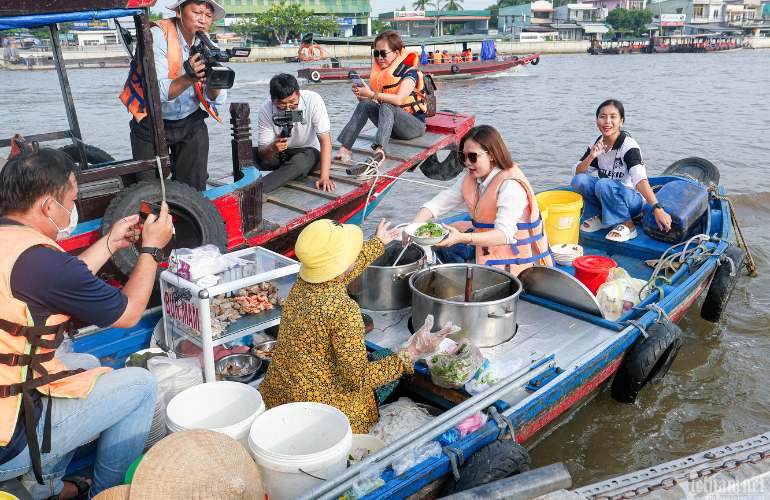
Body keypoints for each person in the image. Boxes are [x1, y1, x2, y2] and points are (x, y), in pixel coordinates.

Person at [0, 148, 174, 499]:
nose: (72, 210)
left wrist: (109, 243)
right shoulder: (42, 263)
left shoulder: (13, 242)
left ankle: (42, 485)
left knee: (87, 364)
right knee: (140, 386)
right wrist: (151, 250)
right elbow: (128, 313)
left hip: (9, 393)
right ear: (50, 206)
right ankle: (107, 492)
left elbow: (60, 278)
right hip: (10, 437)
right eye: (72, 199)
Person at [259, 219, 458, 433]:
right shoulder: (343, 311)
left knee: (381, 356)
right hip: (322, 411)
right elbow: (358, 379)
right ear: (342, 263)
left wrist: (378, 243)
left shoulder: (303, 283)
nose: (355, 255)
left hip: (282, 394)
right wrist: (413, 351)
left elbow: (339, 273)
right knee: (387, 360)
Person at [410, 125, 553, 276]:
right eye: (462, 156)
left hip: (518, 265)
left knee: (448, 251)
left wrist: (461, 237)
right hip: (486, 250)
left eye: (472, 157)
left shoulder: (511, 186)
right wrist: (413, 228)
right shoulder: (472, 178)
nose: (466, 163)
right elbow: (438, 203)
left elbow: (504, 234)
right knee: (444, 244)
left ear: (491, 155)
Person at [121, 0, 228, 191]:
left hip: (189, 121)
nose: (203, 20)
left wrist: (215, 79)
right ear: (179, 12)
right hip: (151, 120)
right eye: (197, 12)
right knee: (147, 190)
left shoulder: (206, 43)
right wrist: (189, 77)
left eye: (208, 16)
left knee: (194, 188)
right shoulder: (157, 35)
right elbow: (160, 92)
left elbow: (216, 100)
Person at [571, 99, 672, 242]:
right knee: (579, 180)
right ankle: (601, 217)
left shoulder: (629, 146)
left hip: (632, 200)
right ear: (597, 121)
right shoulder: (596, 143)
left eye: (613, 117)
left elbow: (640, 180)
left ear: (621, 121)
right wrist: (591, 156)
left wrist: (657, 208)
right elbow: (578, 173)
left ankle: (628, 225)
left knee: (603, 184)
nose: (607, 121)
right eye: (602, 116)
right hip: (607, 195)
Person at [335, 30, 428, 166]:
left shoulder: (410, 73)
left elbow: (399, 100)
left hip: (413, 127)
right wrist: (362, 95)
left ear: (396, 53)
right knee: (364, 104)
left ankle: (379, 151)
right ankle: (345, 148)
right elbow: (371, 102)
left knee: (387, 105)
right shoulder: (382, 75)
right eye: (376, 53)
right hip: (391, 128)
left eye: (383, 53)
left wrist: (371, 94)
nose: (380, 57)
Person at [256, 73, 334, 193]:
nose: (288, 108)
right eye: (281, 105)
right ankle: (288, 172)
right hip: (282, 153)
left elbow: (325, 140)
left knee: (300, 162)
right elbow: (263, 154)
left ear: (298, 93)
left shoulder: (313, 100)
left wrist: (324, 177)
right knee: (246, 154)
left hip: (308, 153)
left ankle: (257, 190)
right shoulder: (265, 109)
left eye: (292, 102)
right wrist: (272, 148)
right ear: (272, 100)